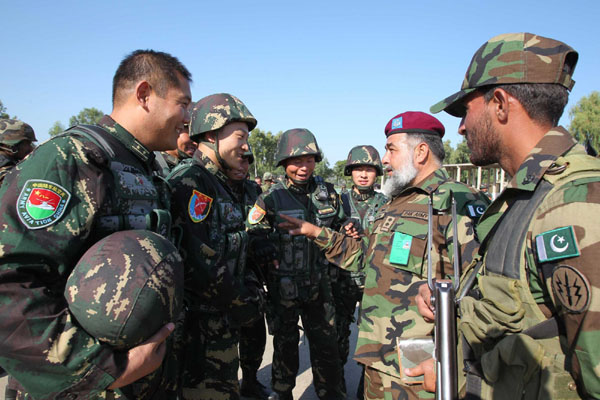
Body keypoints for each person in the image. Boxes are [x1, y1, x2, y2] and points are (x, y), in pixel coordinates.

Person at [410, 32, 600, 399]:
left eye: (466, 111)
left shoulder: (574, 203)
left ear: (499, 103)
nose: (461, 127)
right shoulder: (525, 197)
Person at [0, 49, 192, 399]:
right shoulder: (70, 161)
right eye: (182, 104)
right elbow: (11, 282)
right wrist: (102, 370)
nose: (188, 118)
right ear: (145, 94)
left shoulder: (145, 170)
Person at [278, 112, 490, 400]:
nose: (385, 160)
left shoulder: (459, 202)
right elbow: (367, 259)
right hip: (378, 362)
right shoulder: (396, 203)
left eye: (391, 149)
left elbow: (486, 294)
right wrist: (315, 232)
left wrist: (456, 362)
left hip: (421, 371)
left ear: (421, 151)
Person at [168, 93, 262, 399]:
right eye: (240, 136)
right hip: (198, 335)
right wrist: (243, 304)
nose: (246, 146)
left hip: (219, 327)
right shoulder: (193, 181)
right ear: (210, 134)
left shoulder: (220, 183)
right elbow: (201, 260)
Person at [247, 128, 344, 400]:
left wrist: (348, 226)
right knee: (286, 345)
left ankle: (332, 394)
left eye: (310, 160)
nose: (304, 167)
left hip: (320, 287)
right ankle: (282, 393)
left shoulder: (329, 193)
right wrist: (260, 241)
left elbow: (339, 223)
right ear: (283, 163)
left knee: (327, 347)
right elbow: (251, 229)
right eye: (296, 161)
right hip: (284, 288)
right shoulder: (270, 198)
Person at [333, 145, 388, 398]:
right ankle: (336, 387)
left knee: (373, 341)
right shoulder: (337, 202)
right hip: (342, 280)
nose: (364, 174)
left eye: (369, 169)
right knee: (337, 339)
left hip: (373, 282)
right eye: (358, 169)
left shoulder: (387, 204)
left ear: (377, 173)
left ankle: (365, 390)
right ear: (350, 172)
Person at [224, 148, 270, 400]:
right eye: (238, 161)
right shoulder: (215, 186)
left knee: (254, 328)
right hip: (224, 271)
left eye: (247, 162)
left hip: (250, 271)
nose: (242, 166)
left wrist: (262, 238)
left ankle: (250, 380)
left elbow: (260, 220)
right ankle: (229, 383)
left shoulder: (253, 190)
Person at [0, 118, 37, 184]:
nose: (31, 148)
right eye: (27, 144)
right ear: (11, 146)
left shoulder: (10, 162)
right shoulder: (5, 169)